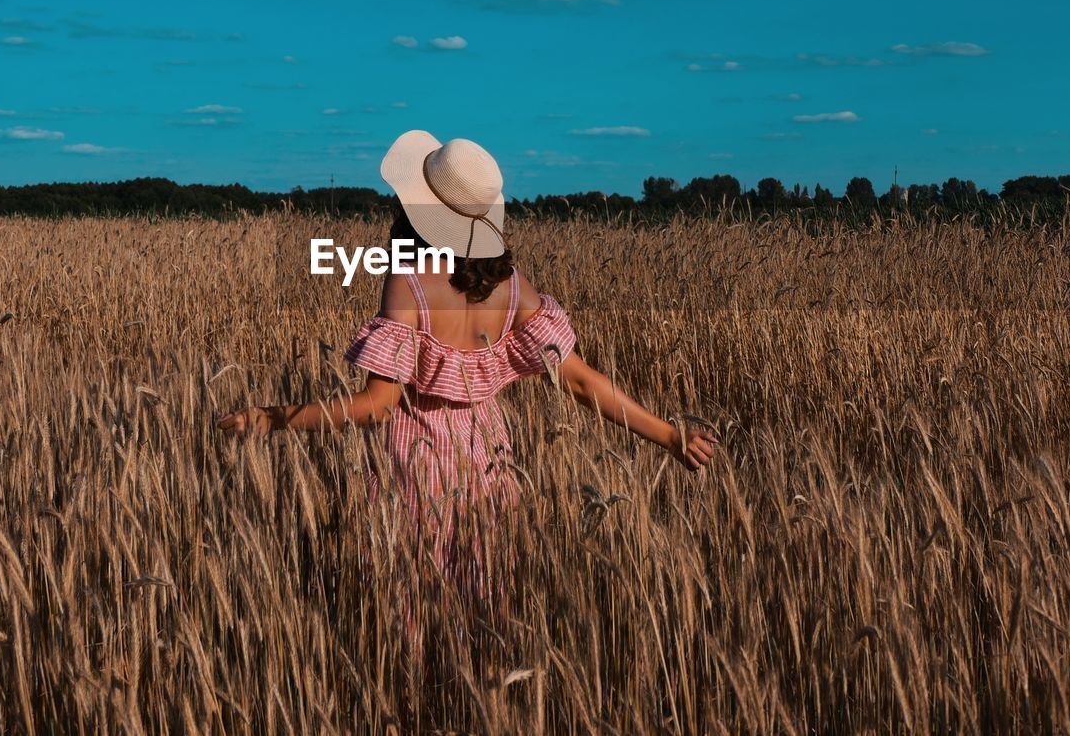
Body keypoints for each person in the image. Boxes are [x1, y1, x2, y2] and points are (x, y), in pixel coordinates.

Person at [217, 130, 718, 632]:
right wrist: (672, 437)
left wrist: (275, 417)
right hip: (487, 465)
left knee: (407, 609)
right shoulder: (513, 287)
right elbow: (584, 383)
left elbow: (377, 405)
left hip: (414, 467)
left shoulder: (408, 280)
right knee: (482, 606)